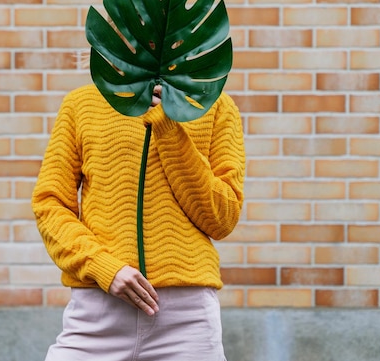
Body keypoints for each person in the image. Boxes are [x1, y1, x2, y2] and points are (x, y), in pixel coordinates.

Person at [32, 77, 246, 360]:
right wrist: (105, 267)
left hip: (185, 321)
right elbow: (50, 204)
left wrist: (168, 126)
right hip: (99, 311)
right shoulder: (81, 104)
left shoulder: (215, 106)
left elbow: (222, 219)